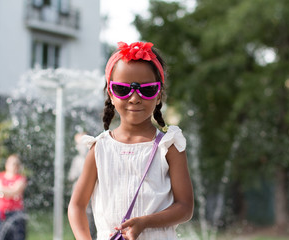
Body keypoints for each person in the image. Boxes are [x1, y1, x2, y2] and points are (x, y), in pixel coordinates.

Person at [68, 41, 194, 240]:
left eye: (147, 89)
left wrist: (145, 222)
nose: (134, 98)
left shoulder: (169, 147)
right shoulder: (99, 148)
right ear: (110, 93)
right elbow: (76, 205)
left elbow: (185, 207)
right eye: (122, 89)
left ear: (159, 94)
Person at [0, 154, 27, 240]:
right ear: (6, 164)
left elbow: (15, 191)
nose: (14, 165)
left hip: (16, 213)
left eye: (16, 163)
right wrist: (10, 190)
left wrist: (3, 190)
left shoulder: (21, 178)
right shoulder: (0, 176)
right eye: (11, 163)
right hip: (0, 213)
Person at [68, 132, 97, 239]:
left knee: (92, 216)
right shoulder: (77, 160)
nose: (79, 147)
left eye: (81, 143)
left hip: (91, 193)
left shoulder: (93, 155)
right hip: (79, 192)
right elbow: (71, 176)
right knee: (81, 215)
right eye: (77, 144)